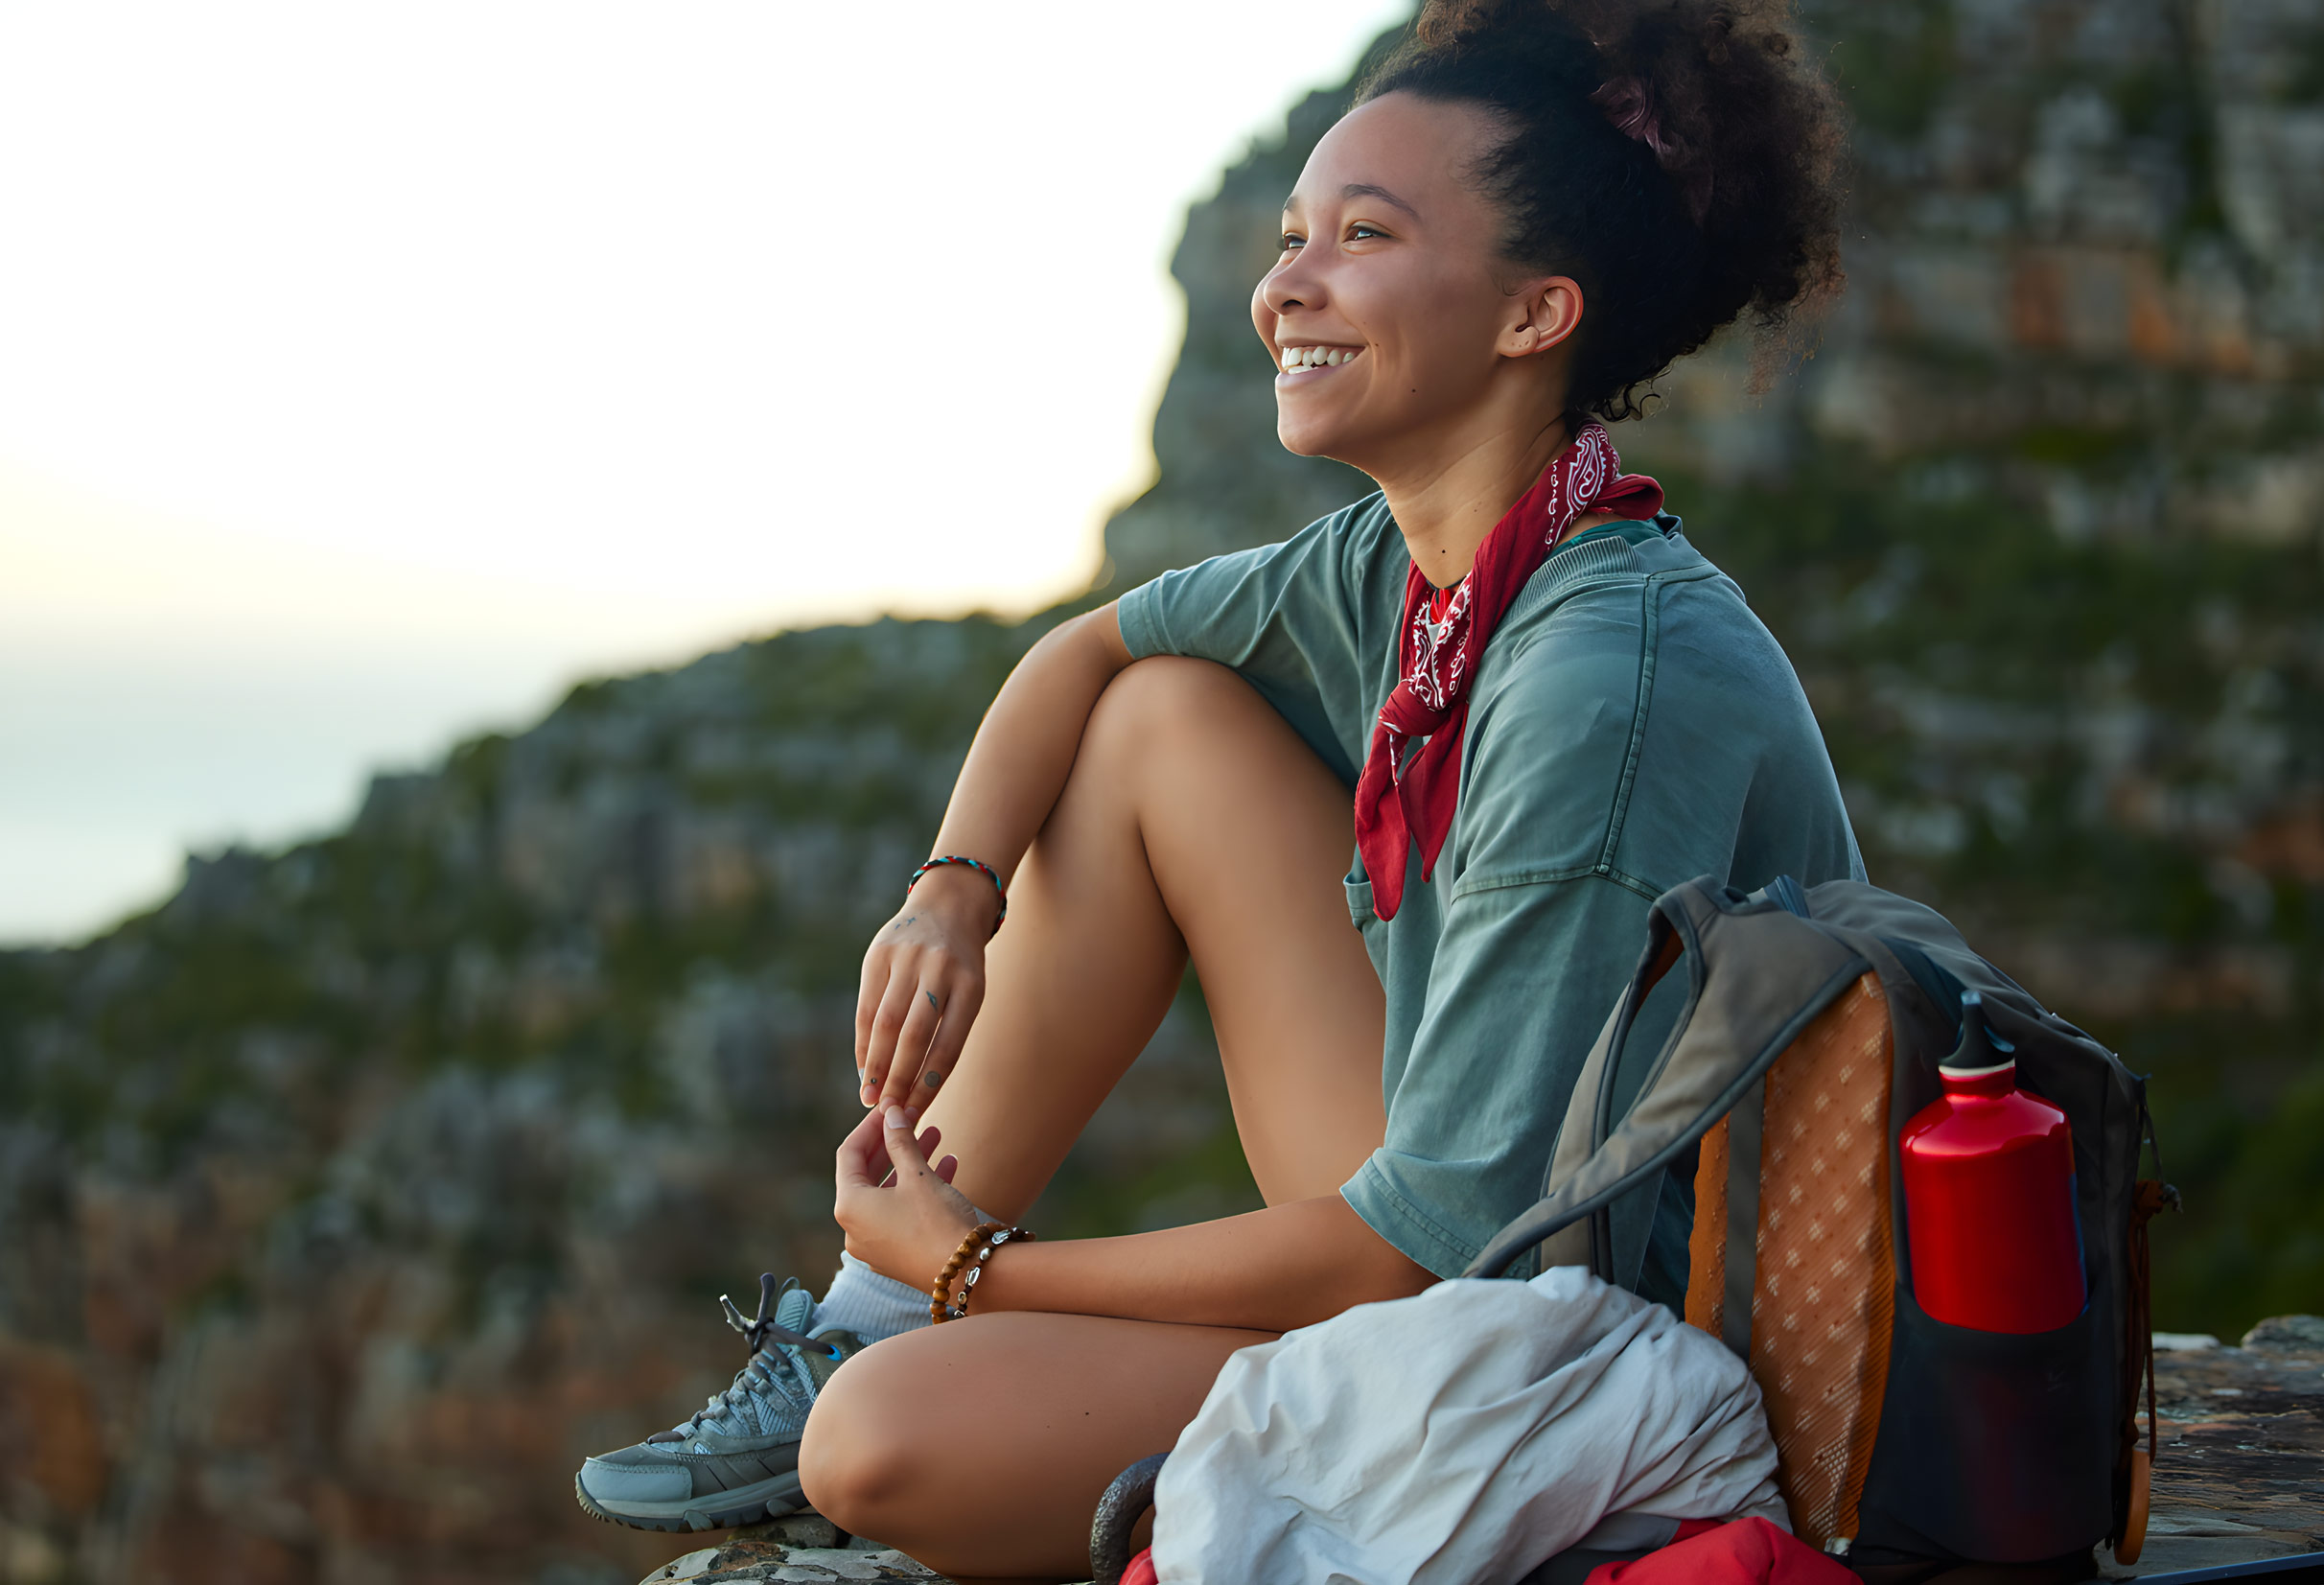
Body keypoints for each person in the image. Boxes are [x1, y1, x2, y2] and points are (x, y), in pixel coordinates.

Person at [575, 0, 1858, 1575]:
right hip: (1475, 1253)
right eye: (1293, 234)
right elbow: (1083, 650)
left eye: (1363, 235)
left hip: (1597, 1352)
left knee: (882, 1449)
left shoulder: (1605, 674)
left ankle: (891, 1340)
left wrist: (985, 1269)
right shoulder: (1402, 566)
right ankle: (863, 1320)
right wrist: (950, 890)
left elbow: (1423, 1250)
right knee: (1155, 718)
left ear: (1534, 315)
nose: (1286, 286)